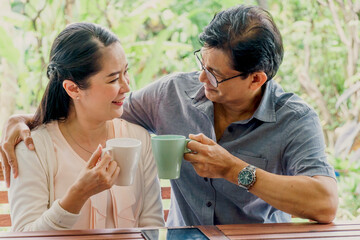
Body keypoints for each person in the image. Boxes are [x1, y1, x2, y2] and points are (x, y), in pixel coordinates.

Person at [1, 5, 338, 226]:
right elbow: (94, 105)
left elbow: (325, 204)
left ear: (256, 79)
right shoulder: (171, 95)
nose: (202, 79)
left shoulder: (295, 119)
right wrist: (24, 119)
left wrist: (235, 170)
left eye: (216, 75)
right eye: (201, 65)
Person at [4, 22, 164, 231]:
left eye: (126, 72)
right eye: (114, 79)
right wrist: (77, 195)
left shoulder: (138, 139)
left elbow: (153, 227)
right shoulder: (34, 148)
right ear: (73, 88)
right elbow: (24, 236)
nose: (126, 86)